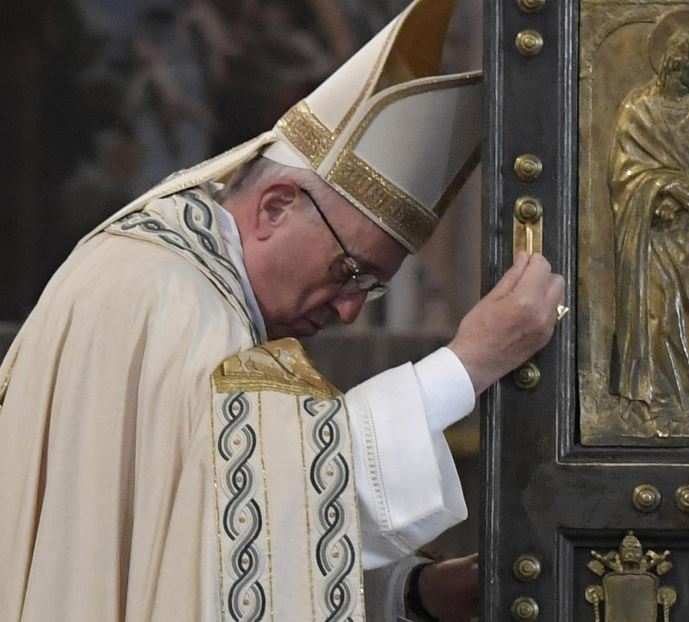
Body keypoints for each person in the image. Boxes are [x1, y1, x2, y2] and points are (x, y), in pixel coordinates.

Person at [0, 1, 566, 620]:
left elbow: (209, 555)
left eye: (370, 288)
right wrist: (467, 365)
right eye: (351, 272)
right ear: (275, 206)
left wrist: (415, 593)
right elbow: (264, 497)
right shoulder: (165, 295)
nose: (351, 310)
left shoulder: (171, 273)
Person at [607, 27, 689, 417]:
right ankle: (656, 396)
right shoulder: (637, 112)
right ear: (677, 62)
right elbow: (624, 175)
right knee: (659, 310)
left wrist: (686, 195)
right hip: (653, 236)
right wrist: (663, 192)